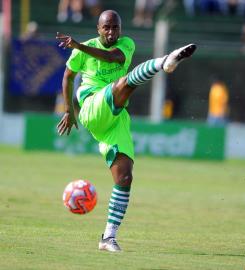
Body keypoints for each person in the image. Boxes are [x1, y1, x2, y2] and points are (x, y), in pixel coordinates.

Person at [56, 10, 196, 252]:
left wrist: (78, 46)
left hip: (116, 118)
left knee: (124, 178)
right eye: (106, 28)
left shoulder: (125, 44)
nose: (112, 32)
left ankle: (107, 237)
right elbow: (68, 76)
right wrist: (69, 110)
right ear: (98, 29)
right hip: (91, 105)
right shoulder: (84, 49)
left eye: (115, 28)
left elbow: (112, 58)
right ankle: (165, 62)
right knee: (124, 84)